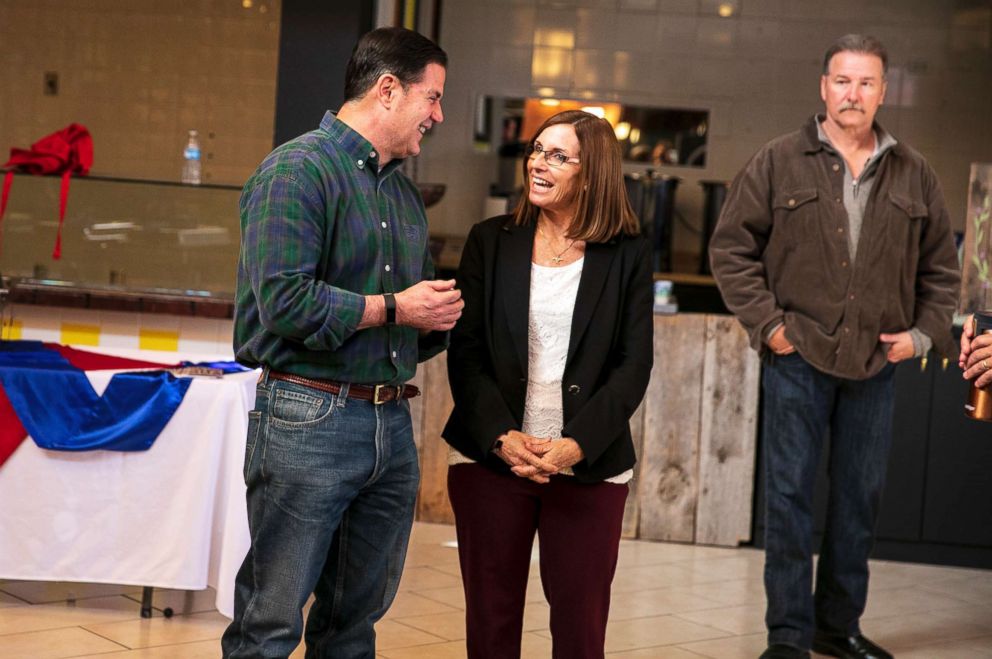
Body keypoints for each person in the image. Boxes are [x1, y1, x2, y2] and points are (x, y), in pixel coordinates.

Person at [709, 34, 960, 659]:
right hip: (797, 359)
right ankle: (789, 636)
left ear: (882, 91)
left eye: (867, 82)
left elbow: (942, 272)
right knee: (789, 499)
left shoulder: (915, 172)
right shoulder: (777, 159)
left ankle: (837, 627)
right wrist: (771, 327)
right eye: (842, 81)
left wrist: (923, 335)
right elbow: (731, 249)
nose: (853, 93)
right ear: (823, 87)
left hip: (876, 365)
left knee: (858, 501)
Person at [221, 27, 463, 658]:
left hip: (390, 423)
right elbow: (284, 303)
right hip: (307, 418)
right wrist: (395, 307)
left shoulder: (404, 195)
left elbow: (403, 323)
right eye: (432, 97)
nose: (438, 114)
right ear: (388, 90)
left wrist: (438, 318)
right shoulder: (296, 170)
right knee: (270, 622)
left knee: (353, 627)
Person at [442, 110, 654, 659]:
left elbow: (633, 365)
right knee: (490, 621)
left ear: (592, 173)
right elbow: (466, 354)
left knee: (580, 630)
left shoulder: (627, 253)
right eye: (536, 150)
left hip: (587, 462)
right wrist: (501, 437)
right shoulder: (490, 241)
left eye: (558, 155)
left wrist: (575, 445)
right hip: (494, 459)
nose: (538, 163)